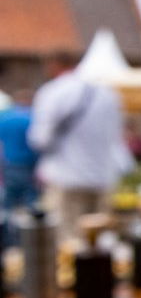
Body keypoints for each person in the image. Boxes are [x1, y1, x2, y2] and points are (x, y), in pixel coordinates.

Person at [28, 55, 133, 246]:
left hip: (66, 178)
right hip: (103, 176)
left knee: (69, 242)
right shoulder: (108, 93)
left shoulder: (53, 92)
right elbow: (117, 136)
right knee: (99, 243)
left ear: (53, 65)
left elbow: (40, 140)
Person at [0, 88, 39, 248]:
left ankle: (9, 242)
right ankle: (28, 243)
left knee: (8, 205)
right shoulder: (32, 117)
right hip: (29, 166)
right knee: (30, 205)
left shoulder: (4, 118)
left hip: (9, 166)